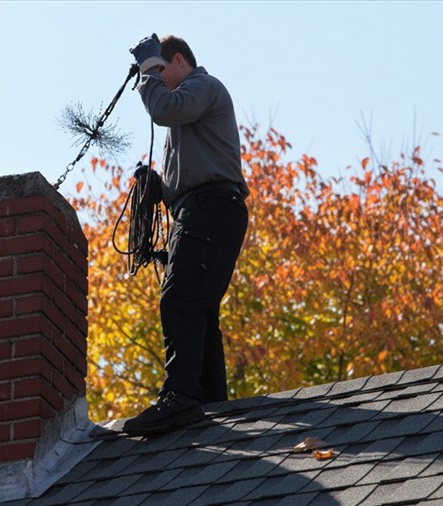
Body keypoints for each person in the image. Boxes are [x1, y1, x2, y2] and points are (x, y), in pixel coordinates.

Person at [123, 34, 249, 436]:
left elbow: (162, 109)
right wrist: (159, 187)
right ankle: (210, 403)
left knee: (179, 300)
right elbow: (191, 173)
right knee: (199, 310)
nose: (159, 77)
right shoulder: (189, 112)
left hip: (211, 209)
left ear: (179, 60)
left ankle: (181, 396)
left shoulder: (202, 87)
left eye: (163, 68)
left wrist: (147, 70)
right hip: (199, 211)